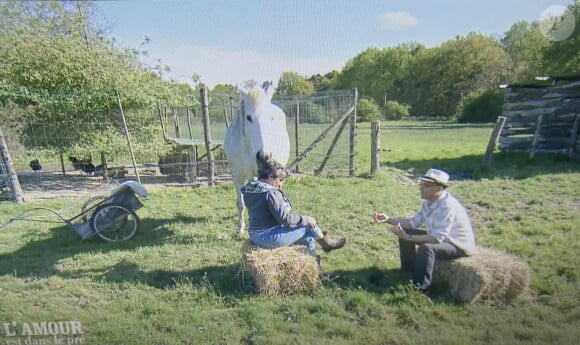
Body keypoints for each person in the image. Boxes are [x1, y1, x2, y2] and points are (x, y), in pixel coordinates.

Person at [373, 168, 478, 293]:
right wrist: (388, 219)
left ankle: (420, 289)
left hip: (457, 245)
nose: (421, 188)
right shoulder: (428, 202)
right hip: (441, 238)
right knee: (405, 231)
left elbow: (436, 239)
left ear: (439, 188)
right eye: (421, 184)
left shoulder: (447, 206)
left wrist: (408, 237)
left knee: (427, 248)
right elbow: (412, 224)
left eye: (426, 186)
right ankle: (407, 271)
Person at [241, 152, 347, 262]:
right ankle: (327, 244)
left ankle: (314, 270)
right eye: (280, 180)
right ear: (271, 177)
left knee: (308, 238)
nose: (281, 184)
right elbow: (285, 219)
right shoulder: (270, 193)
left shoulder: (252, 189)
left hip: (256, 236)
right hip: (269, 238)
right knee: (309, 226)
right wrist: (306, 219)